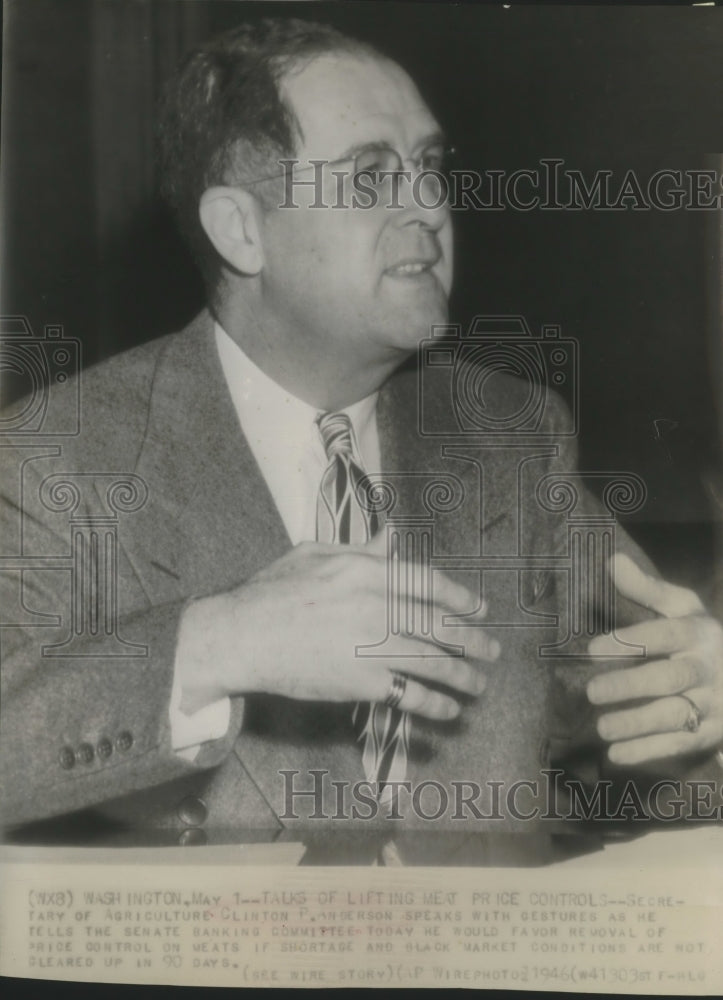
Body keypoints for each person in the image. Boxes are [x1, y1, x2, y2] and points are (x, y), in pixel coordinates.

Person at [1, 19, 722, 854]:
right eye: (371, 176)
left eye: (428, 168)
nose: (428, 208)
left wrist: (702, 711)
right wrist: (215, 643)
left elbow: (632, 747)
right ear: (241, 231)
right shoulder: (55, 456)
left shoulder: (506, 439)